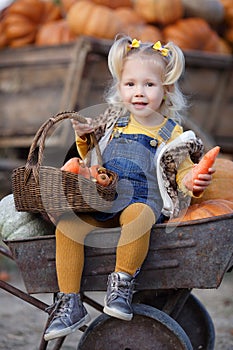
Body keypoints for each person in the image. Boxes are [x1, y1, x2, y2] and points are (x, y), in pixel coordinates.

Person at [44, 35, 215, 341]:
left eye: (149, 85)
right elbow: (92, 161)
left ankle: (121, 283)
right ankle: (69, 301)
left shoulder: (170, 131)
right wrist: (85, 137)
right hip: (103, 199)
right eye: (131, 84)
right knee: (68, 224)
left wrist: (192, 179)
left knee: (140, 217)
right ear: (120, 88)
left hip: (141, 201)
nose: (139, 92)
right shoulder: (112, 124)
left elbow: (181, 169)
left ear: (167, 89)